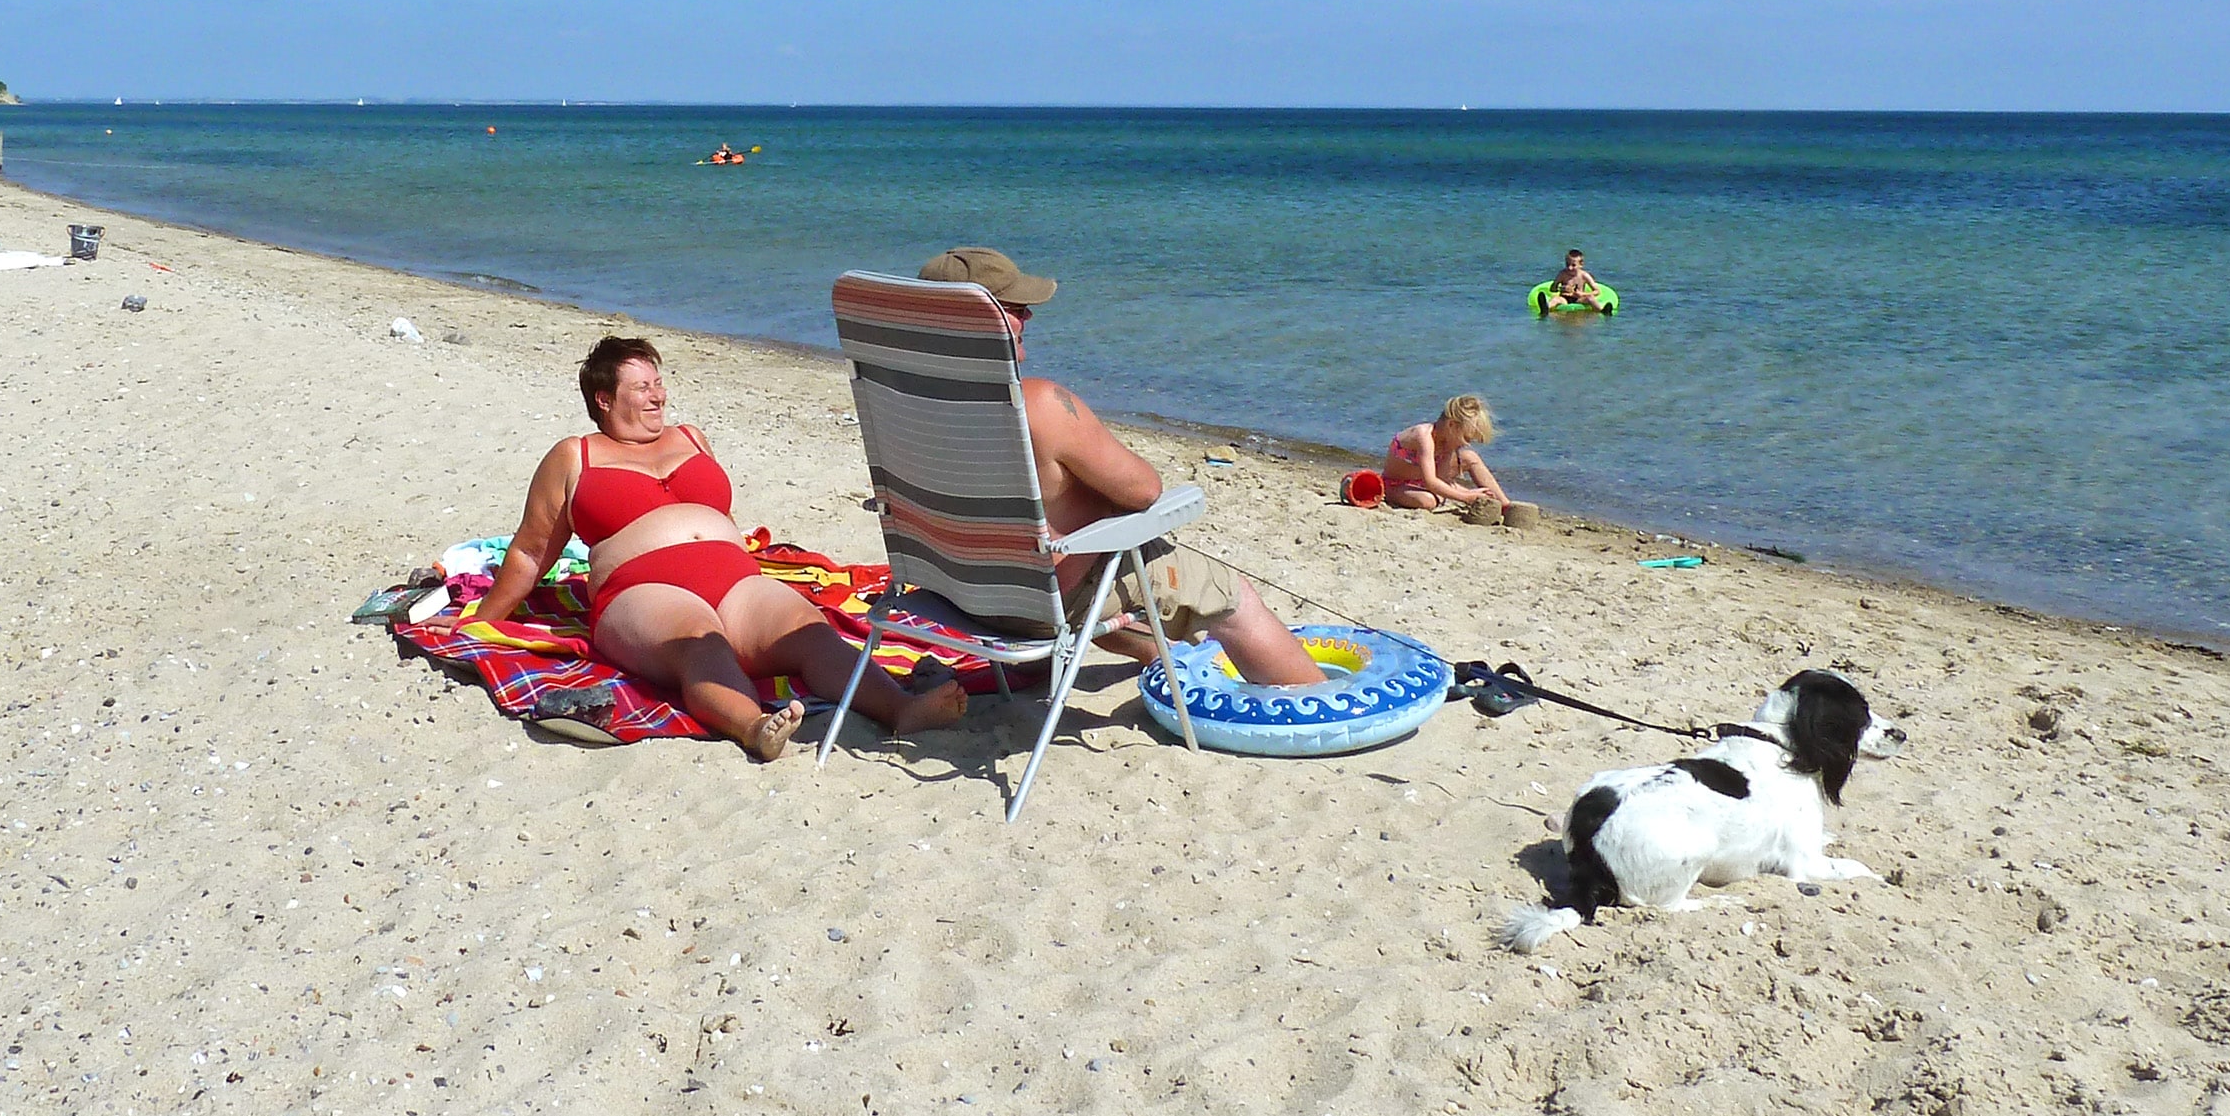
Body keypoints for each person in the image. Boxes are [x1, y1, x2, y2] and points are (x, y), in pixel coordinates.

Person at [434, 336, 969, 760]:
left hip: (736, 581)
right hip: (642, 591)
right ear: (605, 398)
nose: (658, 395)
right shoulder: (575, 457)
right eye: (642, 387)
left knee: (811, 632)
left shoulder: (691, 437)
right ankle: (754, 727)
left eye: (659, 383)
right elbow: (531, 552)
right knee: (701, 642)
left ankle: (900, 710)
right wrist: (482, 619)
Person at [917, 246, 1324, 688]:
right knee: (1228, 595)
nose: (1029, 317)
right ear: (974, 321)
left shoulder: (899, 401)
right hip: (1041, 608)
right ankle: (1314, 697)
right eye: (1013, 308)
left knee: (1092, 550)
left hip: (954, 596)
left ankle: (1157, 656)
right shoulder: (1040, 406)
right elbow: (1145, 491)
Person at [1383, 394, 1511, 511]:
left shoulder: (1448, 443)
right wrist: (1466, 497)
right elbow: (1431, 482)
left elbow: (1442, 479)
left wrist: (1469, 493)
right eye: (1466, 437)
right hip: (1396, 484)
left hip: (1422, 482)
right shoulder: (1423, 436)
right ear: (1451, 425)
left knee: (1471, 457)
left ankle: (1505, 505)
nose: (1467, 443)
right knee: (1428, 501)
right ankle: (1393, 496)